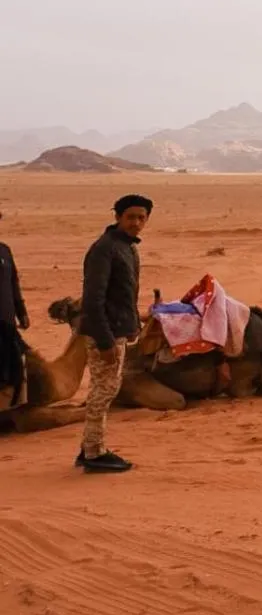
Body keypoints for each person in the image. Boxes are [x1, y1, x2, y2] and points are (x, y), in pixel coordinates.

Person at [77, 194, 152, 473]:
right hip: (104, 333)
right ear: (118, 217)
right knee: (103, 391)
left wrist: (136, 319)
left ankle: (88, 445)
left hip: (117, 328)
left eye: (141, 218)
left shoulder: (127, 248)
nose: (136, 222)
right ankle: (94, 454)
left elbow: (121, 297)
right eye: (130, 217)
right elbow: (93, 300)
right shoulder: (105, 249)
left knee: (106, 389)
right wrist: (106, 340)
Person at [0, 209, 29, 408]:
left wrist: (22, 312)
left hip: (6, 321)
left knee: (15, 368)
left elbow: (13, 283)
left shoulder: (4, 250)